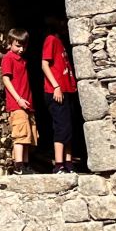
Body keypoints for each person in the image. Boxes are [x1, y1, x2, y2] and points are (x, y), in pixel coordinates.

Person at [41, 18, 79, 173]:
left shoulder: (60, 42)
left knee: (68, 128)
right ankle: (58, 165)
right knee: (61, 127)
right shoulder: (50, 40)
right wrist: (56, 86)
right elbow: (44, 64)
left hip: (67, 90)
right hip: (56, 91)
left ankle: (68, 163)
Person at [0, 27, 36, 172]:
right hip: (17, 104)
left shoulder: (22, 60)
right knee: (20, 134)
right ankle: (18, 166)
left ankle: (25, 164)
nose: (21, 49)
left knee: (28, 135)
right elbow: (6, 80)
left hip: (27, 104)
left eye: (24, 46)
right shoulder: (8, 58)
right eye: (18, 46)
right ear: (10, 43)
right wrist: (18, 99)